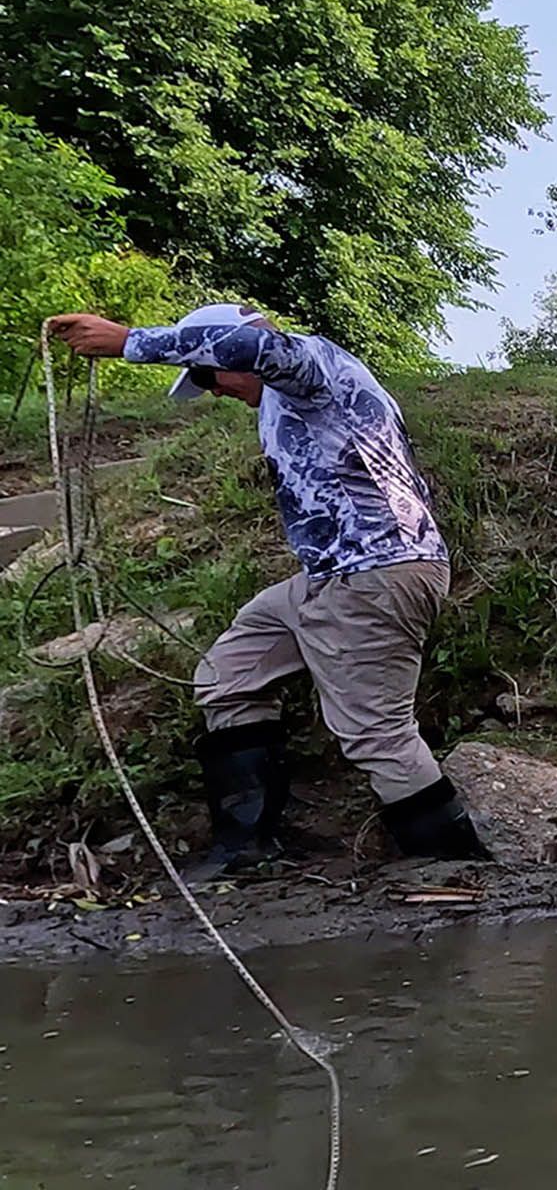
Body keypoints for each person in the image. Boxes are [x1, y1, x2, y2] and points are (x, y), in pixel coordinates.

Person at [47, 304, 487, 870]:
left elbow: (255, 351)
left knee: (376, 735)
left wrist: (130, 340)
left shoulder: (312, 366)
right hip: (336, 577)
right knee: (229, 676)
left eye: (207, 374)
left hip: (376, 573)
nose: (211, 390)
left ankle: (458, 871)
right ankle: (245, 847)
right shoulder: (281, 400)